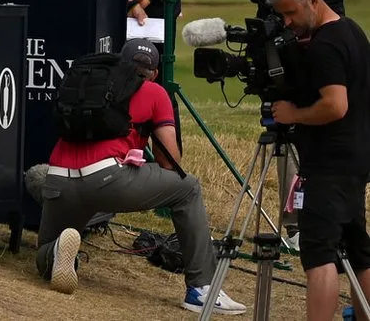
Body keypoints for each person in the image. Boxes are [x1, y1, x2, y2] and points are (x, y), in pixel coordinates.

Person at [30, 38, 242, 314]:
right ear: (154, 72)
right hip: (106, 179)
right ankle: (201, 288)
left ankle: (59, 250)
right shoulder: (154, 91)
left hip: (58, 177)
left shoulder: (91, 82)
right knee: (187, 187)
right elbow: (169, 162)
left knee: (44, 251)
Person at [267, 0, 370, 321]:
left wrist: (294, 115)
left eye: (291, 13)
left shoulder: (326, 47)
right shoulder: (352, 31)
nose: (287, 23)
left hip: (330, 163)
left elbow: (334, 104)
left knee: (319, 254)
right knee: (358, 251)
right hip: (355, 157)